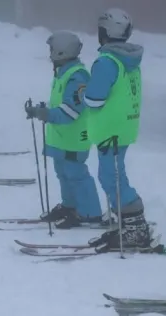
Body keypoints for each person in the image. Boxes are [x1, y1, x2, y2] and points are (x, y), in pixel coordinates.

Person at [84, 8, 151, 251]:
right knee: (114, 175)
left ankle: (135, 228)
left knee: (111, 177)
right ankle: (128, 224)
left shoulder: (107, 61)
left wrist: (84, 93)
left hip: (109, 128)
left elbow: (94, 99)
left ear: (104, 32)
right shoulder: (130, 60)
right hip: (123, 127)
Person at [25, 31, 103, 228]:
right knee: (63, 172)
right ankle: (70, 206)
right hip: (62, 137)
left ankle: (89, 213)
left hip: (74, 137)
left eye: (52, 49)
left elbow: (71, 111)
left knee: (76, 174)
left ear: (61, 51)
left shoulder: (77, 77)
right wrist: (42, 111)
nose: (49, 53)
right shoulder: (63, 73)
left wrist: (46, 114)